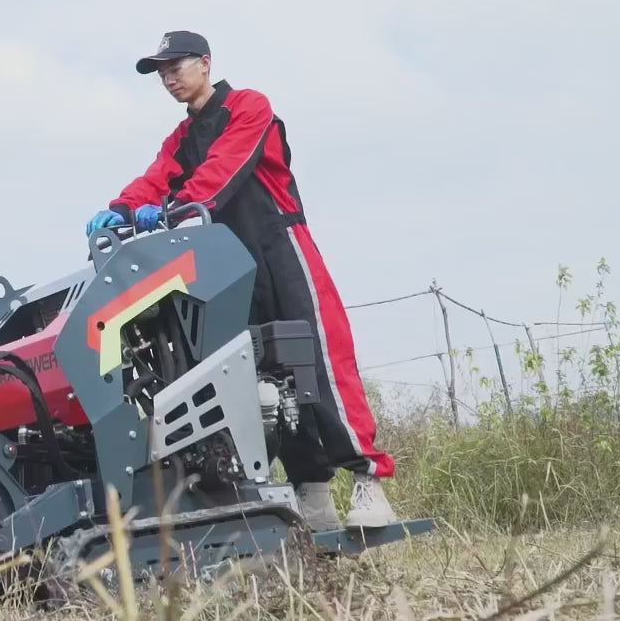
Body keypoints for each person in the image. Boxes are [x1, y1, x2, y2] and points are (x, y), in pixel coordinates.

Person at [85, 30, 397, 530]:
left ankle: (367, 479)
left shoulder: (249, 107)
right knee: (261, 378)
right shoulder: (180, 139)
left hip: (281, 247)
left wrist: (160, 211)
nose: (169, 78)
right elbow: (155, 178)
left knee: (318, 359)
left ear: (205, 63)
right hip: (230, 266)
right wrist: (117, 210)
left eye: (176, 66)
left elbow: (219, 175)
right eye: (161, 73)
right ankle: (311, 493)